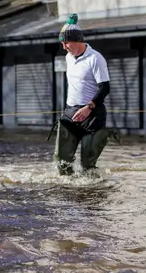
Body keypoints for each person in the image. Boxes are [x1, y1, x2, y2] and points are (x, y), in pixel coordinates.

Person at [54, 13, 116, 175]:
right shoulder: (68, 57)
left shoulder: (95, 59)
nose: (64, 47)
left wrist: (88, 108)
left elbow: (105, 88)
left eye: (66, 43)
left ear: (77, 39)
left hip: (92, 115)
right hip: (70, 113)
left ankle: (93, 192)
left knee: (87, 165)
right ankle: (68, 193)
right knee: (61, 162)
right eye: (62, 44)